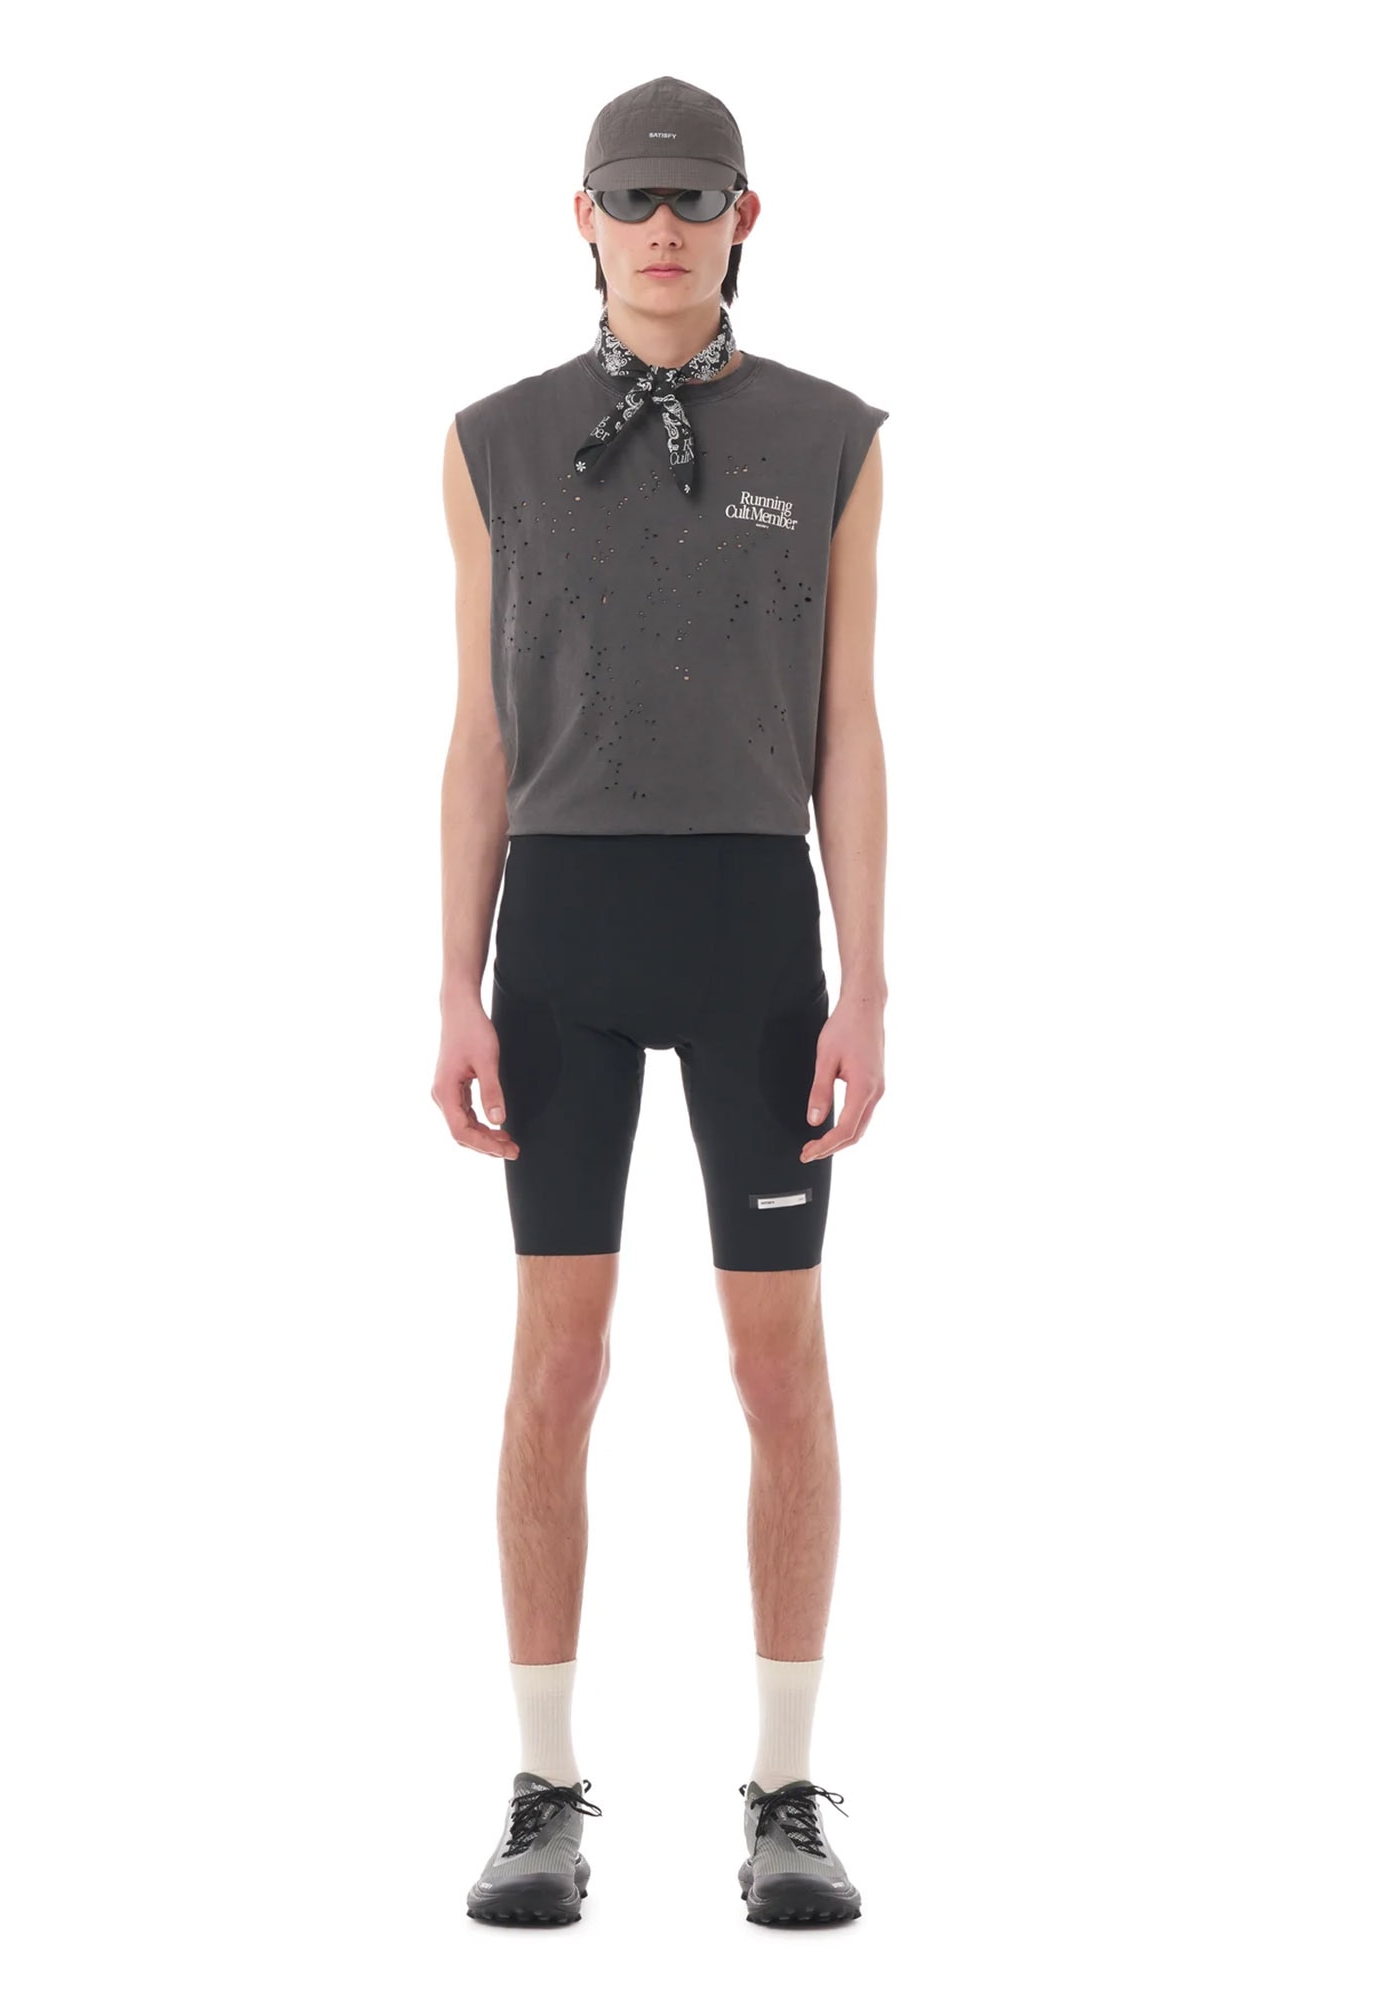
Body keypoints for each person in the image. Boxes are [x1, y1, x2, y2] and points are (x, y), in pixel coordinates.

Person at [433, 75, 889, 1928]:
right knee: (560, 1361)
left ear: (744, 218)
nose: (665, 226)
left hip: (753, 937)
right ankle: (543, 1791)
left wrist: (868, 980)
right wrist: (452, 981)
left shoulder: (832, 439)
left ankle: (785, 1796)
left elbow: (849, 729)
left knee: (779, 1367)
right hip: (561, 937)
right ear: (585, 218)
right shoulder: (492, 443)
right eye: (634, 196)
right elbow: (478, 733)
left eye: (696, 197)